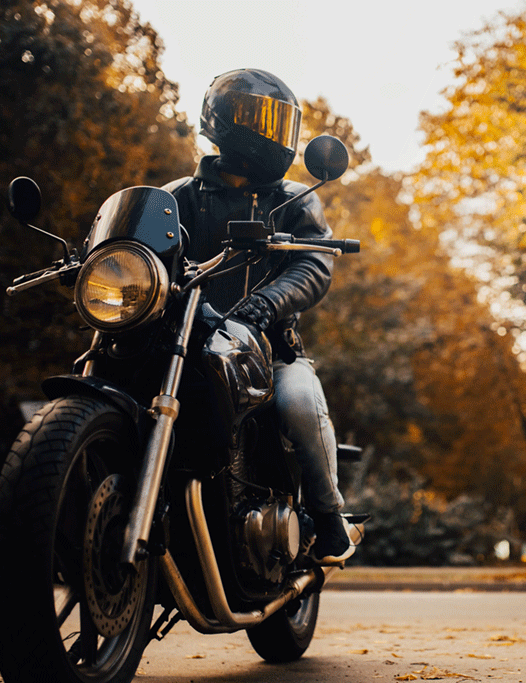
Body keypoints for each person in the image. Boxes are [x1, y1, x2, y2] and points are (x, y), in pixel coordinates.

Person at [162, 68, 353, 564]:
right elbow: (141, 246)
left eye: (276, 121)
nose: (268, 131)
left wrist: (266, 303)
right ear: (225, 121)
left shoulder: (292, 200)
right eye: (256, 117)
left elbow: (314, 263)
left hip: (267, 351)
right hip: (184, 345)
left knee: (296, 403)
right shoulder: (177, 196)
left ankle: (331, 520)